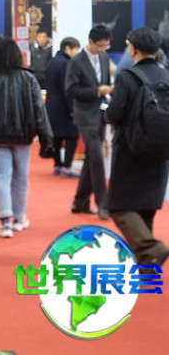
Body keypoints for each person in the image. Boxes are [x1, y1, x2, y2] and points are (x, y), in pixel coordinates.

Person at [0, 37, 53, 238]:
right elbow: (39, 110)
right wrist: (46, 138)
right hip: (23, 135)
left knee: (1, 178)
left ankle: (5, 223)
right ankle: (19, 218)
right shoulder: (28, 78)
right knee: (21, 177)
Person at [106, 27, 169, 267]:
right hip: (161, 149)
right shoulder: (166, 76)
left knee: (119, 206)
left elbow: (115, 113)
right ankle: (147, 263)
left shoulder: (127, 76)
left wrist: (105, 114)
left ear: (133, 49)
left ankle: (153, 249)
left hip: (130, 149)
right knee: (145, 206)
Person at [65, 24, 113, 220]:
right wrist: (96, 92)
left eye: (106, 46)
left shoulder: (104, 58)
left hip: (101, 113)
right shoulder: (76, 61)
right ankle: (103, 204)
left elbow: (105, 82)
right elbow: (71, 89)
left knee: (91, 158)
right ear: (90, 41)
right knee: (97, 157)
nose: (103, 49)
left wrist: (106, 92)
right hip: (84, 115)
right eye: (100, 46)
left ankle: (80, 202)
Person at [44, 37, 82, 178]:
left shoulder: (52, 62)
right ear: (68, 48)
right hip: (64, 106)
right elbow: (67, 89)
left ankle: (58, 165)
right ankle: (67, 167)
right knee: (72, 135)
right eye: (75, 49)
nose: (76, 53)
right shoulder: (66, 63)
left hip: (51, 105)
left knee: (56, 137)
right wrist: (72, 108)